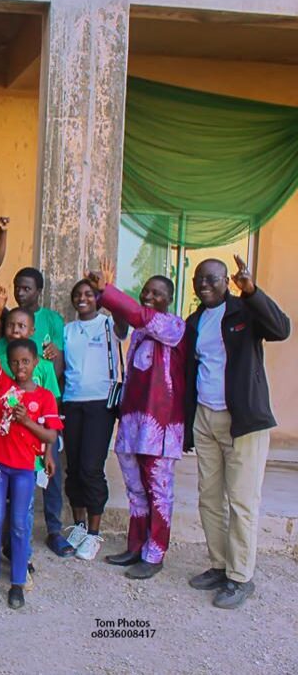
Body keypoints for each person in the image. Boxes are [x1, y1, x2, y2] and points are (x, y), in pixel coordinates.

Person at [185, 256, 290, 609]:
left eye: (212, 279)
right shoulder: (195, 322)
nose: (204, 285)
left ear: (227, 281)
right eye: (199, 279)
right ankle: (219, 565)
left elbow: (281, 328)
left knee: (242, 500)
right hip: (205, 416)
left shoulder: (244, 311)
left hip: (242, 419)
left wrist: (253, 292)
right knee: (209, 497)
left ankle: (241, 577)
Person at [89, 258, 186, 579]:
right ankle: (135, 547)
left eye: (157, 293)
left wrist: (108, 291)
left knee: (158, 491)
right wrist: (108, 297)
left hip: (160, 429)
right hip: (132, 425)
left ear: (168, 299)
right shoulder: (142, 331)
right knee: (136, 490)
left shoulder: (173, 325)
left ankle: (155, 553)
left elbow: (138, 315)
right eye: (146, 291)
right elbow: (126, 322)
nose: (149, 296)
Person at [0, 286, 62, 609]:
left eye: (26, 361)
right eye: (15, 362)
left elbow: (51, 436)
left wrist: (26, 421)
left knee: (19, 522)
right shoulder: (3, 383)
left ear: (36, 362)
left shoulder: (44, 396)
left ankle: (16, 581)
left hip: (26, 466)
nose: (20, 367)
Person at [61, 278, 124, 561]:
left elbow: (124, 319)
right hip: (73, 402)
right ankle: (79, 526)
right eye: (78, 294)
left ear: (98, 298)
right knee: (73, 467)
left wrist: (109, 289)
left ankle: (94, 534)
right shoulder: (68, 330)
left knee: (91, 468)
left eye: (89, 294)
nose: (82, 298)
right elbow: (62, 368)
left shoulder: (110, 325)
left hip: (101, 404)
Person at [13, 266, 71, 556]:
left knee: (51, 469)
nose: (21, 293)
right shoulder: (13, 320)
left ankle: (54, 529)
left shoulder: (52, 320)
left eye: (27, 288)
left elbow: (57, 364)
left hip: (44, 406)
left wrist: (50, 414)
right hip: (14, 410)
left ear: (39, 291)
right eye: (18, 287)